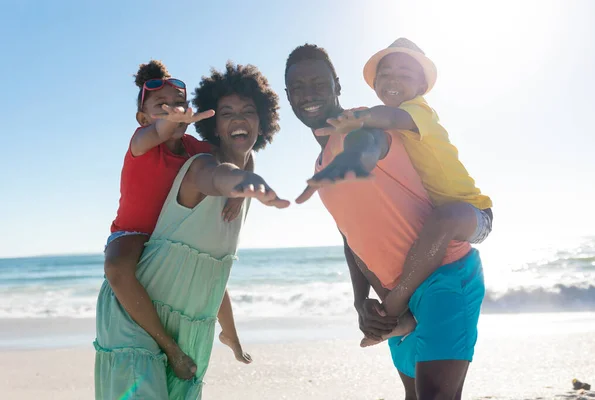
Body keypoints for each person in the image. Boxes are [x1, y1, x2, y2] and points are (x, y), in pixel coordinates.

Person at [286, 44, 485, 399]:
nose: (309, 93)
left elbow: (369, 143)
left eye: (319, 82)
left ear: (337, 86)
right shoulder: (320, 166)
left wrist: (357, 160)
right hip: (396, 298)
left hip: (446, 274)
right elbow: (352, 239)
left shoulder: (363, 122)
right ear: (288, 96)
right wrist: (361, 301)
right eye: (298, 86)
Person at [94, 61, 289, 399]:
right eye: (161, 108)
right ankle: (167, 346)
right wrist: (239, 182)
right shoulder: (150, 145)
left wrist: (242, 188)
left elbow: (236, 162)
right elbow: (192, 158)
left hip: (172, 271)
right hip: (130, 239)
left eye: (178, 105)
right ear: (143, 118)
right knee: (115, 267)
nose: (171, 112)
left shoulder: (194, 150)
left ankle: (178, 345)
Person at [314, 37, 493, 346]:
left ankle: (393, 308)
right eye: (385, 73)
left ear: (421, 86)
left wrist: (357, 119)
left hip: (473, 213)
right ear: (375, 83)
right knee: (359, 241)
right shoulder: (390, 128)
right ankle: (399, 320)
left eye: (405, 73)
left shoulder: (419, 111)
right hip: (441, 217)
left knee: (446, 217)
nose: (393, 79)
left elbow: (390, 116)